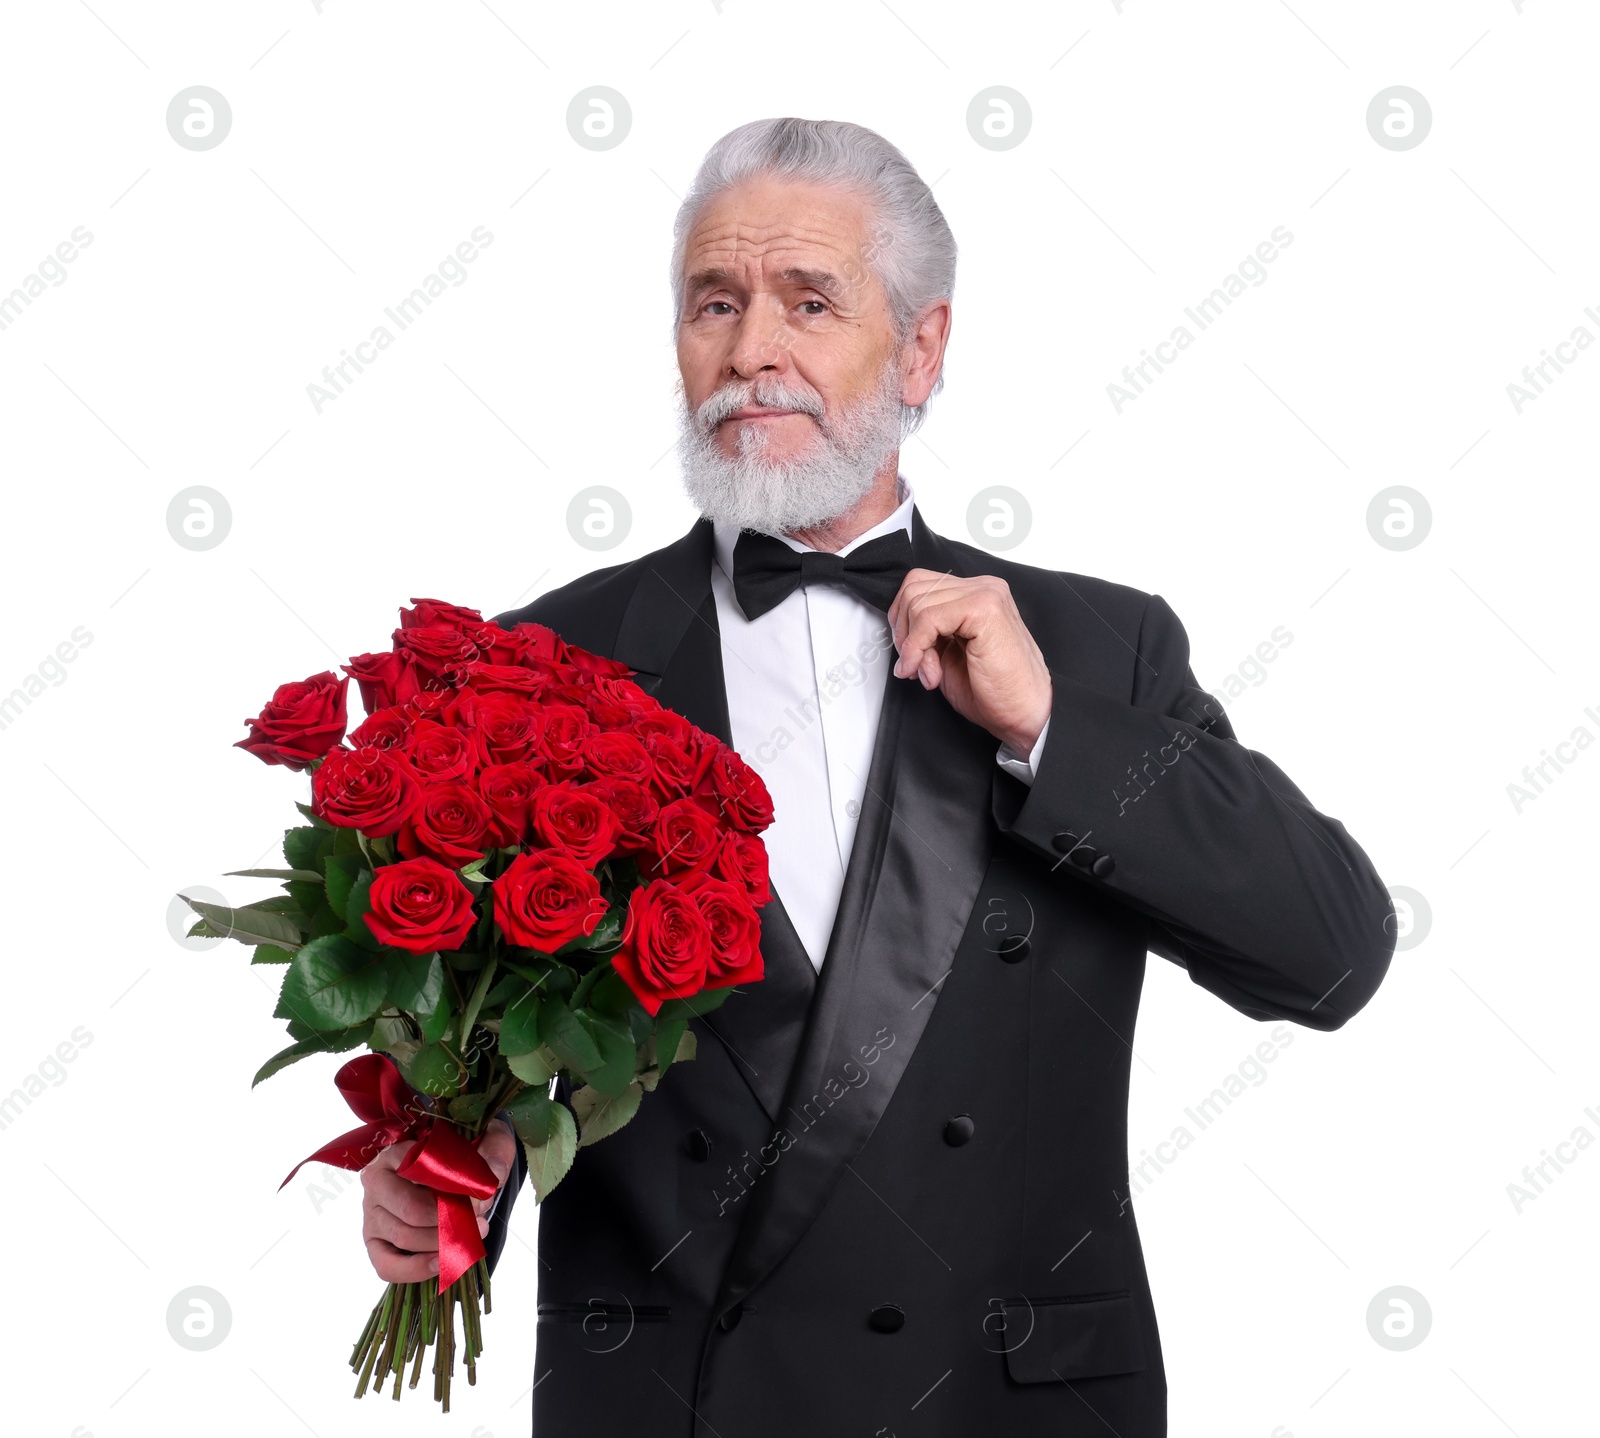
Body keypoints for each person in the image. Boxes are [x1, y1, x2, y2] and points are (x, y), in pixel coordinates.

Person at [359, 117, 1395, 1436]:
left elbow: (1333, 955)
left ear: (921, 348)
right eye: (713, 304)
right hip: (667, 1402)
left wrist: (1052, 729)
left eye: (809, 302)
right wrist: (451, 1177)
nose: (749, 355)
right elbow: (478, 1049)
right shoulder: (547, 660)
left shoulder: (1093, 646)